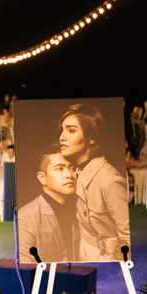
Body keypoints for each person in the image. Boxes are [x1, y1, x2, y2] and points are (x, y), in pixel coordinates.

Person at [58, 103, 130, 261]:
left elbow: (127, 236)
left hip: (105, 259)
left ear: (91, 138)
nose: (62, 137)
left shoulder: (109, 180)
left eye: (71, 130)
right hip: (80, 252)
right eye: (62, 130)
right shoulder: (73, 171)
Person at [18, 147, 79, 263]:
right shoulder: (25, 218)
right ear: (42, 178)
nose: (69, 175)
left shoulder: (80, 209)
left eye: (72, 168)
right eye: (60, 169)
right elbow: (27, 267)